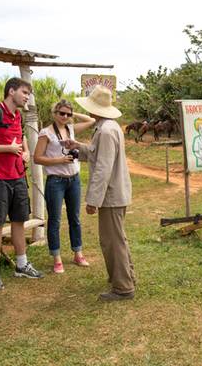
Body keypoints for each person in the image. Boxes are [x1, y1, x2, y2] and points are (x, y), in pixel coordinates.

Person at [65, 85, 135, 302]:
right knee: (117, 239)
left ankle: (123, 287)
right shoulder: (108, 127)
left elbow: (103, 168)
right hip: (116, 192)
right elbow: (98, 155)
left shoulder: (105, 130)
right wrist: (78, 147)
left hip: (111, 194)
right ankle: (126, 277)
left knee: (112, 241)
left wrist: (92, 200)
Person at [0, 77, 44, 291]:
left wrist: (24, 152)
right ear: (11, 91)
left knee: (19, 221)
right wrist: (8, 149)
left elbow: (20, 140)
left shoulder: (17, 117)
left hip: (17, 176)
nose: (27, 96)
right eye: (24, 92)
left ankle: (21, 265)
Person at [33, 99, 96, 273]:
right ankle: (57, 258)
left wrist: (72, 114)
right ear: (54, 113)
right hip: (56, 180)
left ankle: (78, 253)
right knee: (55, 220)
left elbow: (91, 121)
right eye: (62, 113)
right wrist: (59, 160)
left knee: (75, 218)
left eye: (68, 114)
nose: (65, 117)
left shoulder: (70, 128)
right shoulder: (46, 132)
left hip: (73, 179)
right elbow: (37, 158)